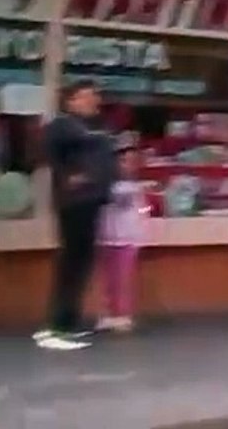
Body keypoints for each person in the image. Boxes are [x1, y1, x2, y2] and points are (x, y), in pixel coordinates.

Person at [35, 80, 118, 351]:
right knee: (71, 262)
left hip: (92, 201)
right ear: (70, 101)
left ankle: (69, 323)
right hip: (75, 203)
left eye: (95, 96)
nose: (93, 100)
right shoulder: (63, 125)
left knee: (81, 262)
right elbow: (47, 152)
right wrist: (70, 176)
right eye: (85, 96)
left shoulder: (94, 127)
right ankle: (56, 327)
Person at [96, 140, 148, 333]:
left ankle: (123, 314)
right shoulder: (105, 185)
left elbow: (136, 207)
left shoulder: (134, 187)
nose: (127, 164)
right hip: (107, 236)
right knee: (109, 278)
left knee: (123, 277)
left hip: (128, 238)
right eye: (123, 160)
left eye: (131, 160)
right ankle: (110, 314)